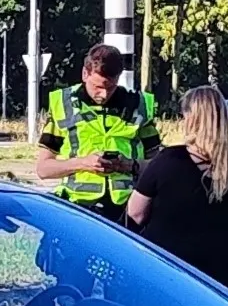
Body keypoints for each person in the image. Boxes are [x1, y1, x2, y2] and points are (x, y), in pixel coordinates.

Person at [125, 85, 228, 293]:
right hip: (227, 275)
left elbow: (135, 213)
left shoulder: (168, 161)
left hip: (170, 272)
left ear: (191, 119)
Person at [34, 43, 160, 218]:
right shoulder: (62, 105)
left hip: (128, 209)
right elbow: (43, 169)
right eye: (98, 87)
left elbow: (158, 167)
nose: (104, 94)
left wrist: (130, 165)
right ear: (85, 74)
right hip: (78, 208)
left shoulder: (139, 106)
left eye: (110, 87)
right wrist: (82, 163)